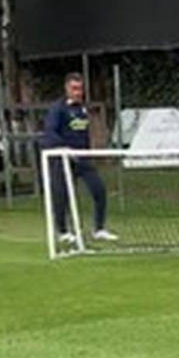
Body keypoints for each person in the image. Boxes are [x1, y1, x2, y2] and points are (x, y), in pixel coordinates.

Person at [43, 72, 117, 245]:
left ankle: (99, 228)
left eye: (80, 89)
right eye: (74, 89)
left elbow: (83, 134)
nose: (78, 92)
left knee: (99, 190)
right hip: (62, 159)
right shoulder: (58, 109)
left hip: (82, 159)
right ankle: (62, 231)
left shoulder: (82, 109)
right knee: (61, 197)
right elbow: (50, 132)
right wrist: (64, 148)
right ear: (67, 88)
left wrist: (86, 151)